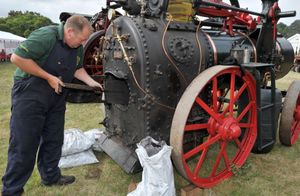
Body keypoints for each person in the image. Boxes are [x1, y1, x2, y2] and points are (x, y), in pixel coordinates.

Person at [2, 15, 103, 196]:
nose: (84, 42)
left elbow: (77, 68)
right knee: (24, 143)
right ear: (70, 31)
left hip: (55, 96)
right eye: (82, 39)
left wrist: (90, 82)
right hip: (30, 93)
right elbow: (17, 58)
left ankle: (51, 176)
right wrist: (48, 77)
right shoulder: (45, 36)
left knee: (54, 139)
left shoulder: (77, 46)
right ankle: (12, 190)